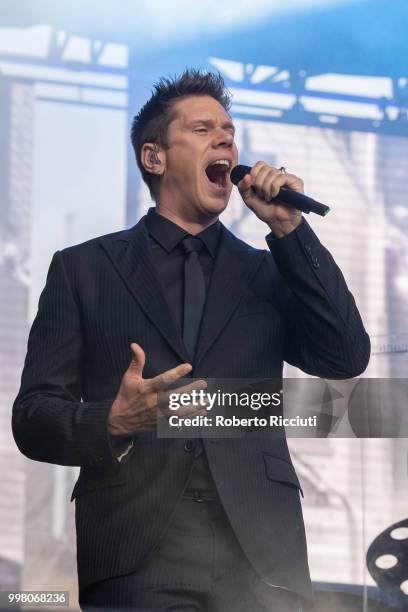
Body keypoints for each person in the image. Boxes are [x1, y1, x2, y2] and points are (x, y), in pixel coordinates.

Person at [12, 70, 370, 612]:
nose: (225, 140)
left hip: (259, 550)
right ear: (154, 158)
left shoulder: (268, 270)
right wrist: (110, 420)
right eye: (203, 129)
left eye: (229, 131)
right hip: (138, 547)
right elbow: (33, 416)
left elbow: (345, 355)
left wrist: (290, 230)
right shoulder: (84, 270)